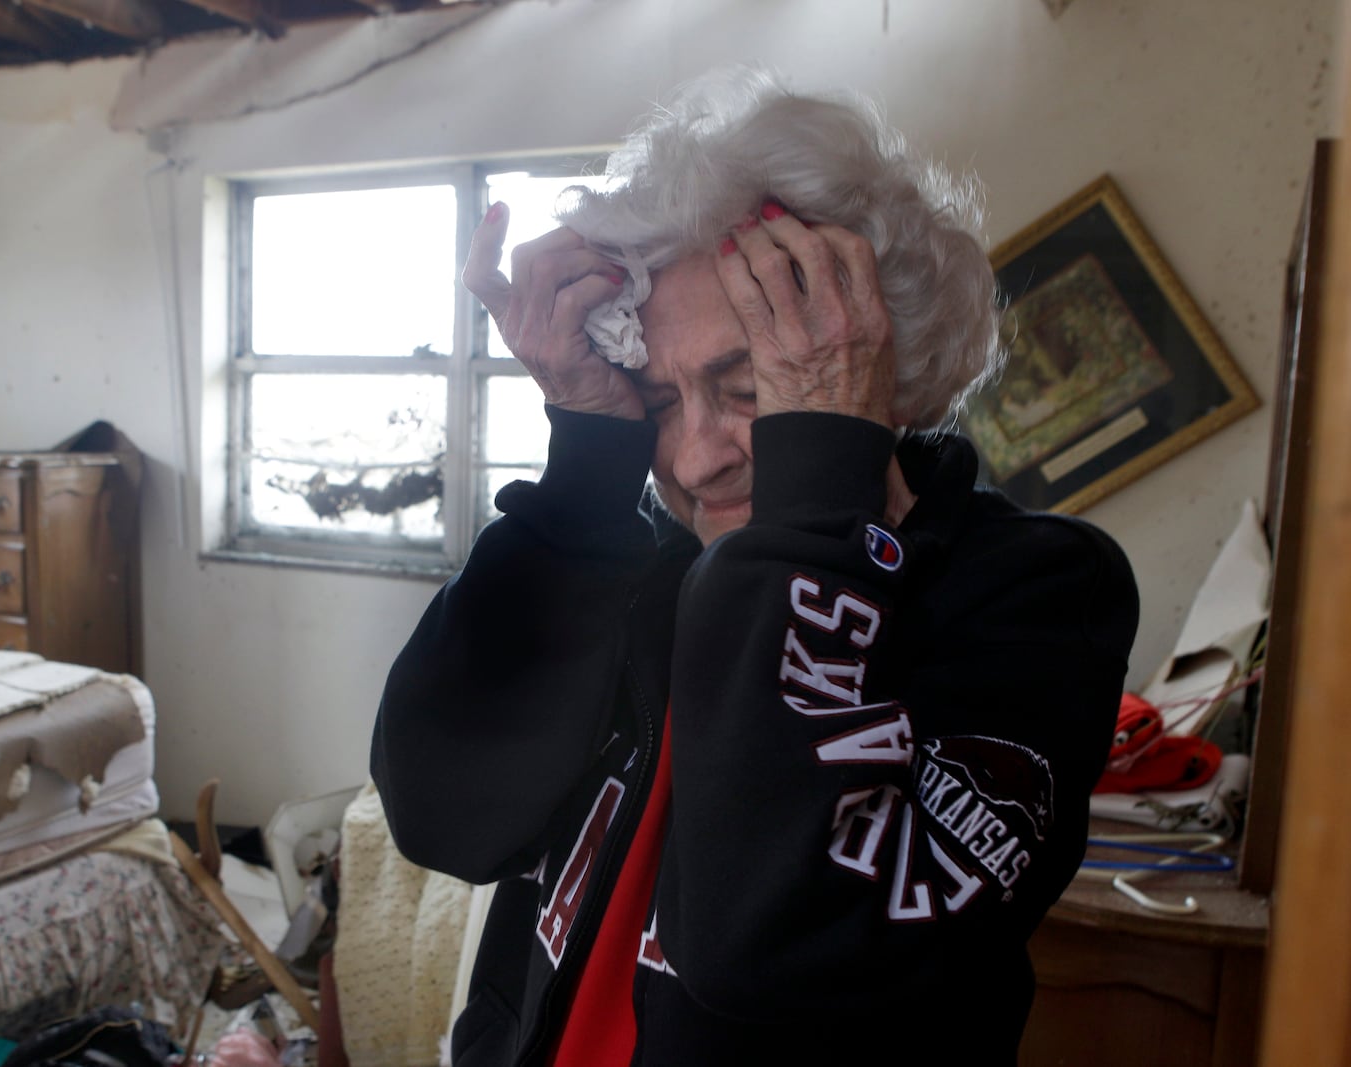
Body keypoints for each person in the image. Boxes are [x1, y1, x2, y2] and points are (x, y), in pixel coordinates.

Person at [370, 68, 1138, 1066]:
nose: (695, 456)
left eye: (749, 386)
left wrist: (816, 487)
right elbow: (443, 818)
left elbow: (779, 948)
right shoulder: (633, 563)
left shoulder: (1033, 593)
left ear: (880, 359)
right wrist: (583, 480)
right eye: (658, 403)